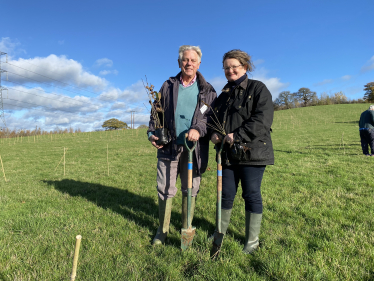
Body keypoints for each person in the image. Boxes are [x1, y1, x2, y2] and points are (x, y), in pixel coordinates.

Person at [147, 45, 217, 245]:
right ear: (179, 62)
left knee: (191, 188)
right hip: (169, 147)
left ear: (199, 63)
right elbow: (156, 113)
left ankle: (186, 226)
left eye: (193, 60)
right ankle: (162, 231)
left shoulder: (208, 90)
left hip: (193, 150)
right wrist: (152, 133)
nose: (189, 63)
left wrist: (197, 128)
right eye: (185, 60)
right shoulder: (167, 85)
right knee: (165, 187)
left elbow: (210, 118)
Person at [210, 49, 274, 256]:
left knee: (251, 194)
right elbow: (212, 121)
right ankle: (220, 232)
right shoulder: (223, 96)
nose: (230, 71)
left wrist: (236, 135)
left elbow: (262, 120)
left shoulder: (258, 89)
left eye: (234, 67)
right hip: (227, 155)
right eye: (226, 68)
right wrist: (213, 134)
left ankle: (252, 242)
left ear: (245, 67)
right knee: (226, 194)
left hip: (252, 153)